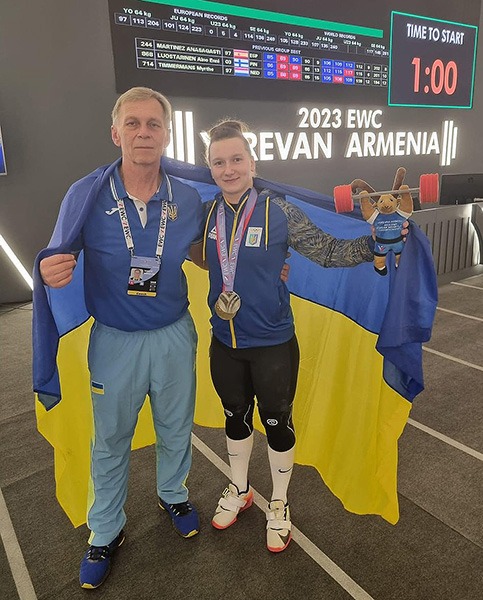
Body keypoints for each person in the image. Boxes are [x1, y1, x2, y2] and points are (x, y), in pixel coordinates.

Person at [38, 87, 204, 589]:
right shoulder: (86, 195)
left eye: (153, 124)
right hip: (115, 340)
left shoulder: (188, 197)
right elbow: (58, 252)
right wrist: (47, 270)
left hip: (174, 334)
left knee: (176, 426)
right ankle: (105, 530)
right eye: (133, 123)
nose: (143, 133)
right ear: (116, 133)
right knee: (110, 440)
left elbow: (201, 251)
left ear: (167, 134)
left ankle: (173, 494)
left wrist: (257, 263)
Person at [200, 119, 379, 553]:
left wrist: (376, 242)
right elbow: (188, 251)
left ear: (252, 162)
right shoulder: (204, 212)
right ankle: (240, 488)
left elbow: (328, 251)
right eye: (219, 162)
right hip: (225, 342)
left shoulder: (279, 211)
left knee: (277, 423)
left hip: (273, 345)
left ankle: (278, 502)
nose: (228, 169)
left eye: (236, 159)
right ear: (210, 168)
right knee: (234, 417)